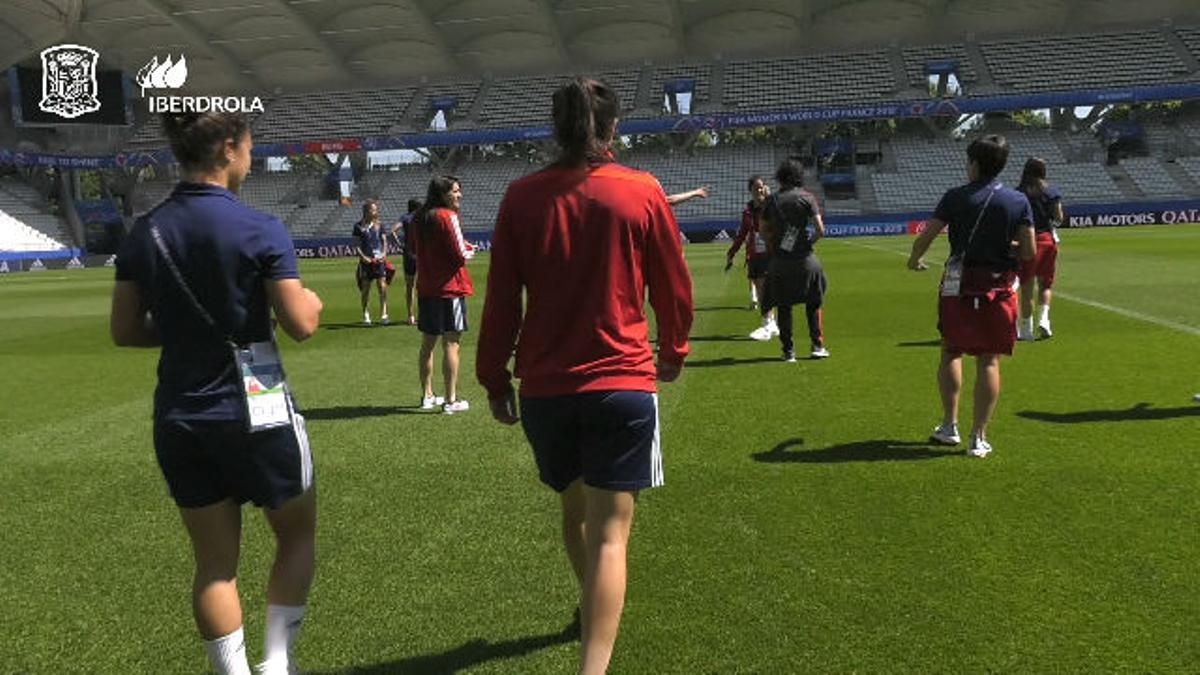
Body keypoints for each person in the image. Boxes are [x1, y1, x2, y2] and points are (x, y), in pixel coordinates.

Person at [476, 76, 693, 675]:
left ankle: (588, 605)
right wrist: (673, 348)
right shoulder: (640, 191)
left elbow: (500, 303)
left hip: (547, 389)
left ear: (556, 127)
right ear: (614, 128)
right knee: (610, 537)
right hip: (621, 384)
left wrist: (494, 379)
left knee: (575, 514)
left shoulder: (521, 197)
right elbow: (673, 284)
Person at [110, 111, 323, 675]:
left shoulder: (145, 232)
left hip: (181, 411)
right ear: (229, 149)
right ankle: (278, 662)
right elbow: (300, 323)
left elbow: (126, 331)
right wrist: (313, 305)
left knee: (214, 565)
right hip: (258, 403)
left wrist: (186, 333)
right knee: (297, 533)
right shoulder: (260, 228)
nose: (253, 159)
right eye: (251, 147)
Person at [907, 134, 1036, 458]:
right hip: (998, 285)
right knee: (989, 360)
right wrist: (1008, 244)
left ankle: (949, 425)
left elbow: (927, 235)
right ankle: (978, 437)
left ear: (975, 164)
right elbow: (1029, 251)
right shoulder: (1018, 201)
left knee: (951, 351)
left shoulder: (954, 197)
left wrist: (914, 260)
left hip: (958, 282)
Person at [760, 159, 830, 361]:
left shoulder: (771, 201)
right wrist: (808, 243)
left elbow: (762, 231)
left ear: (780, 177)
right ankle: (817, 346)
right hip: (806, 260)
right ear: (799, 176)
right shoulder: (808, 197)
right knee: (814, 303)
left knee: (783, 307)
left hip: (781, 262)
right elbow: (820, 230)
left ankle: (788, 351)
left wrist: (774, 243)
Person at [415, 175, 473, 413]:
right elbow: (460, 254)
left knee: (428, 343)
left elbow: (413, 248)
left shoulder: (420, 217)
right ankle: (451, 400)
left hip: (427, 287)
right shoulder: (448, 217)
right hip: (450, 289)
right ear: (443, 194)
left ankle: (427, 395)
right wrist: (470, 250)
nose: (459, 195)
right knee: (452, 343)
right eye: (455, 191)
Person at [1015, 157, 1063, 341]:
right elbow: (1059, 217)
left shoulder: (1019, 193)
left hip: (1027, 240)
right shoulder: (1051, 191)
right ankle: (1044, 320)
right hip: (1047, 240)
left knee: (1026, 286)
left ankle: (1025, 329)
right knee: (1045, 284)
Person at [726, 175, 777, 340]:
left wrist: (769, 199)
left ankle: (766, 324)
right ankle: (772, 323)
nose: (759, 190)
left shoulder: (771, 206)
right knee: (762, 289)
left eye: (761, 187)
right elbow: (741, 234)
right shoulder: (747, 211)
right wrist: (731, 253)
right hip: (754, 255)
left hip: (770, 254)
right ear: (750, 191)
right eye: (756, 188)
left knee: (764, 290)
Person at [353, 199, 393, 325]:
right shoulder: (358, 226)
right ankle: (366, 314)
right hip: (366, 262)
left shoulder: (380, 225)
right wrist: (363, 257)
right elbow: (356, 244)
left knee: (382, 287)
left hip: (379, 261)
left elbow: (384, 241)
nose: (376, 211)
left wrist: (384, 254)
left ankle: (384, 314)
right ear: (366, 211)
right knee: (365, 289)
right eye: (373, 209)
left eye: (376, 209)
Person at [390, 198, 423, 325]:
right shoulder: (421, 217)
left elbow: (393, 230)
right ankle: (423, 315)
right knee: (422, 286)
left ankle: (410, 316)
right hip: (421, 254)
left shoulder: (405, 218)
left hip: (408, 254)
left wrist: (399, 244)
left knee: (410, 286)